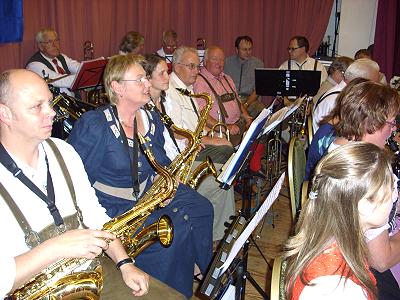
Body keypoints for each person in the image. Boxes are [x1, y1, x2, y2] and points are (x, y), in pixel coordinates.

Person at [0, 69, 188, 299]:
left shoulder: (63, 151)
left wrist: (125, 263)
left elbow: (96, 216)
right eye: (36, 106)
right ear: (5, 113)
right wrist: (57, 247)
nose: (51, 112)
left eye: (49, 103)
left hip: (89, 272)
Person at [68, 54, 213, 299]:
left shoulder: (150, 117)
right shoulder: (94, 124)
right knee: (173, 233)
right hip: (115, 207)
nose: (147, 84)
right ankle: (172, 291)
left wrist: (164, 179)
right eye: (140, 79)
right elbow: (74, 181)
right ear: (117, 87)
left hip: (148, 192)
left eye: (146, 78)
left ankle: (206, 278)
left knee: (201, 207)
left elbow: (161, 161)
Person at [306, 80, 400, 299]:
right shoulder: (367, 172)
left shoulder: (339, 148)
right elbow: (381, 260)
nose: (394, 129)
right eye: (392, 123)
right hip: (357, 264)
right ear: (371, 124)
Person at [141, 53, 235, 242]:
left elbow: (172, 137)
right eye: (162, 74)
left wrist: (189, 142)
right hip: (170, 168)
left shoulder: (165, 101)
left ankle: (219, 235)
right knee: (222, 184)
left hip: (181, 157)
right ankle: (219, 239)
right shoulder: (145, 109)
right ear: (147, 79)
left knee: (224, 178)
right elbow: (160, 148)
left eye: (167, 73)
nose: (168, 77)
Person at [284, 142, 396, 299]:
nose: (394, 195)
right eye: (391, 188)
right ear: (364, 206)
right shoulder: (338, 289)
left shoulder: (334, 237)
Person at [164, 46, 235, 163]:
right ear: (176, 66)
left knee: (226, 142)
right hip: (185, 150)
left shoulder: (188, 86)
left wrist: (213, 132)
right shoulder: (170, 91)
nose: (197, 71)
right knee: (225, 149)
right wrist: (210, 140)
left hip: (197, 141)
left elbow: (196, 123)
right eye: (191, 66)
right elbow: (176, 133)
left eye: (198, 67)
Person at [194, 45, 252, 147]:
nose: (219, 63)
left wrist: (247, 117)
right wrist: (225, 127)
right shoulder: (199, 82)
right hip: (221, 132)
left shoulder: (227, 78)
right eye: (215, 59)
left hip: (238, 125)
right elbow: (202, 115)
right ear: (205, 61)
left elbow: (238, 102)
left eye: (222, 60)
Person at [312, 58, 380, 132]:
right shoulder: (339, 100)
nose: (374, 89)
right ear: (360, 81)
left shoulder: (340, 92)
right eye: (372, 84)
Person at [26, 28, 80, 96]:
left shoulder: (61, 57)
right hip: (53, 105)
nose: (55, 45)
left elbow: (78, 67)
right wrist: (82, 77)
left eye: (56, 40)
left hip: (74, 101)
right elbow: (59, 81)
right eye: (50, 42)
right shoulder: (34, 65)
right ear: (41, 46)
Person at [224, 36, 265, 118]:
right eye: (244, 49)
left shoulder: (258, 64)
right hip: (231, 99)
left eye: (250, 49)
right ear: (237, 49)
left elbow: (258, 90)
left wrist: (246, 104)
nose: (248, 52)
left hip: (251, 100)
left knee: (263, 114)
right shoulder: (226, 63)